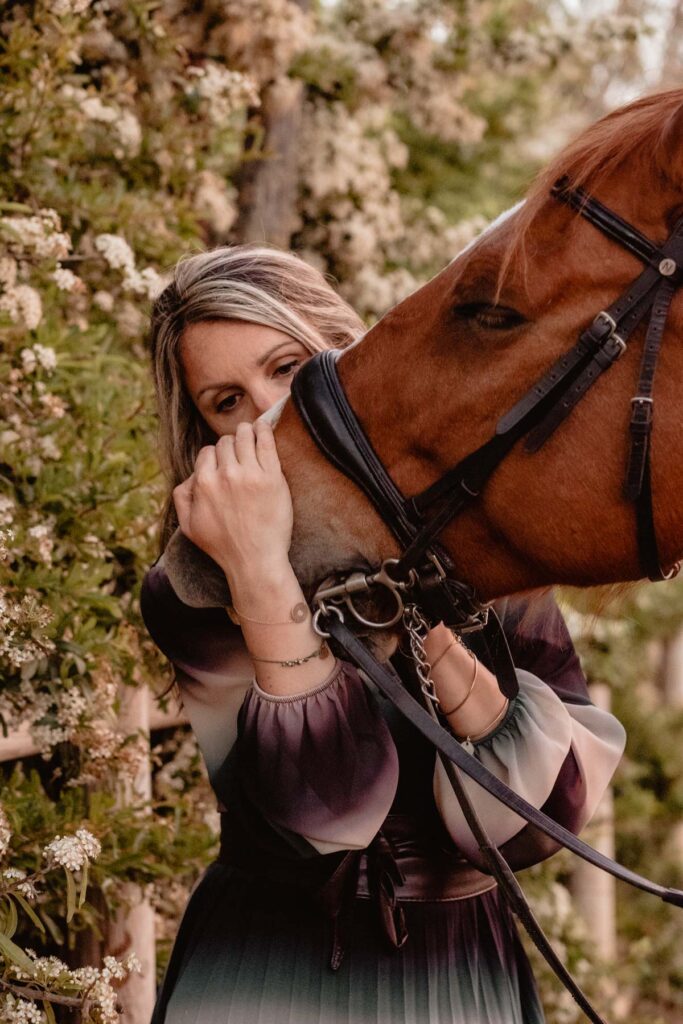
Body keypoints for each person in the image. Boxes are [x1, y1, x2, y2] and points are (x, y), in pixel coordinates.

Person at [140, 244, 627, 1024]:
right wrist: (262, 576)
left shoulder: (484, 539)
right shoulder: (194, 588)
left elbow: (550, 820)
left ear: (346, 355)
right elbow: (324, 813)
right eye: (225, 400)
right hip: (267, 976)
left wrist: (413, 593)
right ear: (203, 430)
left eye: (289, 366)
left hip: (460, 974)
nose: (265, 412)